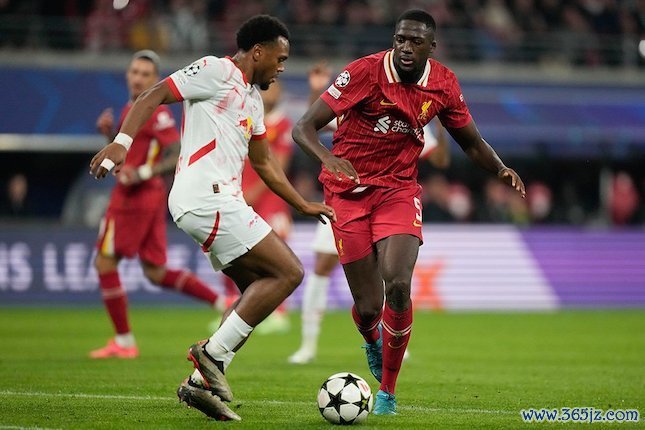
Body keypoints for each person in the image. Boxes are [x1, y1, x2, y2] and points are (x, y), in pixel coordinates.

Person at [89, 15, 335, 421]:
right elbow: (152, 95)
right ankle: (210, 355)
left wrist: (302, 205)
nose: (282, 67)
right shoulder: (214, 70)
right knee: (289, 273)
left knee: (254, 292)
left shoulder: (254, 100)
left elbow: (265, 162)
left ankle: (201, 385)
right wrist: (120, 143)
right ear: (258, 51)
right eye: (280, 58)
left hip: (216, 202)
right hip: (207, 197)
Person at [292, 9, 525, 416]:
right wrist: (328, 160)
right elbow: (303, 128)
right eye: (400, 39)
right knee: (368, 307)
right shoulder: (364, 72)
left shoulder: (444, 84)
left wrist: (500, 166)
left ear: (431, 47)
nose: (405, 47)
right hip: (347, 195)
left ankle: (387, 391)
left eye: (415, 41)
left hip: (398, 191)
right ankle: (371, 341)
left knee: (398, 284)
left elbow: (470, 142)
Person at [289, 64, 451, 365]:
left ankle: (391, 340)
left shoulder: (412, 116)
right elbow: (315, 124)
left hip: (386, 203)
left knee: (388, 273)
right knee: (323, 266)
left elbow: (440, 158)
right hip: (344, 199)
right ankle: (308, 344)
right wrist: (317, 88)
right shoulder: (360, 102)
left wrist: (441, 119)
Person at [89, 50, 224, 360]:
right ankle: (221, 302)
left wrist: (143, 172)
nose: (137, 78)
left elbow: (173, 151)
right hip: (147, 198)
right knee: (155, 271)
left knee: (105, 263)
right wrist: (110, 134)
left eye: (145, 74)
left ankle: (123, 342)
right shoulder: (130, 108)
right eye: (134, 71)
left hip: (134, 198)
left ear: (155, 80)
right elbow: (136, 151)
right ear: (127, 73)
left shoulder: (155, 111)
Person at [218, 79, 295, 335]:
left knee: (277, 254)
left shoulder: (282, 124)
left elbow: (278, 166)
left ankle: (279, 313)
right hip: (240, 197)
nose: (273, 91)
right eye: (270, 87)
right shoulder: (249, 117)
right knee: (231, 251)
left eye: (277, 87)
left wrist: (252, 192)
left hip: (270, 200)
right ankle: (232, 306)